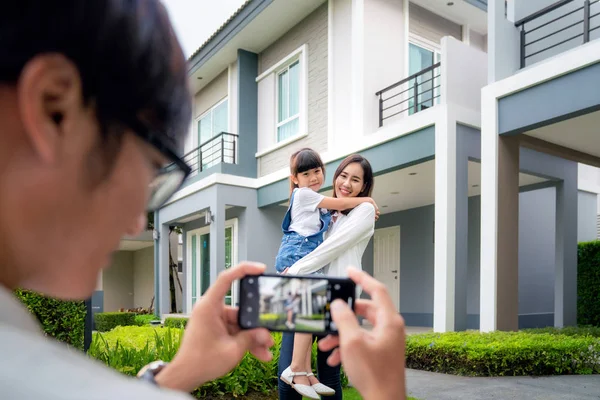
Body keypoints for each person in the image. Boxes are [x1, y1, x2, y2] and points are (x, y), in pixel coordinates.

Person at [0, 2, 407, 399]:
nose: (133, 222)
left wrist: (181, 372)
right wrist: (387, 391)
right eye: (148, 170)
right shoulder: (26, 369)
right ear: (55, 108)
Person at [274, 148, 379, 399]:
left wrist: (295, 271)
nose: (346, 183)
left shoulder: (363, 210)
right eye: (343, 176)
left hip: (336, 299)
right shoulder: (326, 213)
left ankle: (306, 372)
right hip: (309, 292)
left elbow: (331, 250)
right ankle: (304, 372)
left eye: (355, 180)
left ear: (364, 186)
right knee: (288, 371)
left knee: (329, 375)